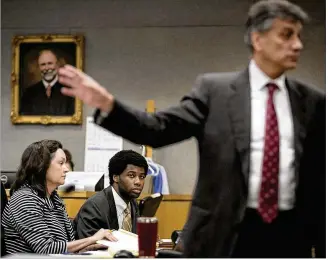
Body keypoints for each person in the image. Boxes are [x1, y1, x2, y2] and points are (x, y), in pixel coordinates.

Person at [58, 0, 325, 257]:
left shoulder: (312, 102)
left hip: (290, 236)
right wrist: (108, 105)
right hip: (223, 236)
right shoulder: (215, 92)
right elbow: (157, 129)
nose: (298, 45)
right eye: (287, 35)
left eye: (299, 36)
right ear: (258, 39)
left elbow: (318, 179)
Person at [1, 140, 117, 255]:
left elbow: (65, 245)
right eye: (61, 163)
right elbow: (46, 248)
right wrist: (91, 239)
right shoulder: (24, 199)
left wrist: (92, 246)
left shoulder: (54, 199)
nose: (66, 169)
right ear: (42, 165)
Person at [74, 150, 148, 239]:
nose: (138, 182)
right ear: (115, 177)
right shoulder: (94, 207)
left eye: (142, 177)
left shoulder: (132, 202)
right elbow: (87, 246)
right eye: (131, 175)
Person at [20, 49, 75, 116]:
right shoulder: (29, 93)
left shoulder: (69, 91)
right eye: (43, 64)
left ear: (57, 64)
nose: (47, 68)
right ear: (39, 67)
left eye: (50, 63)